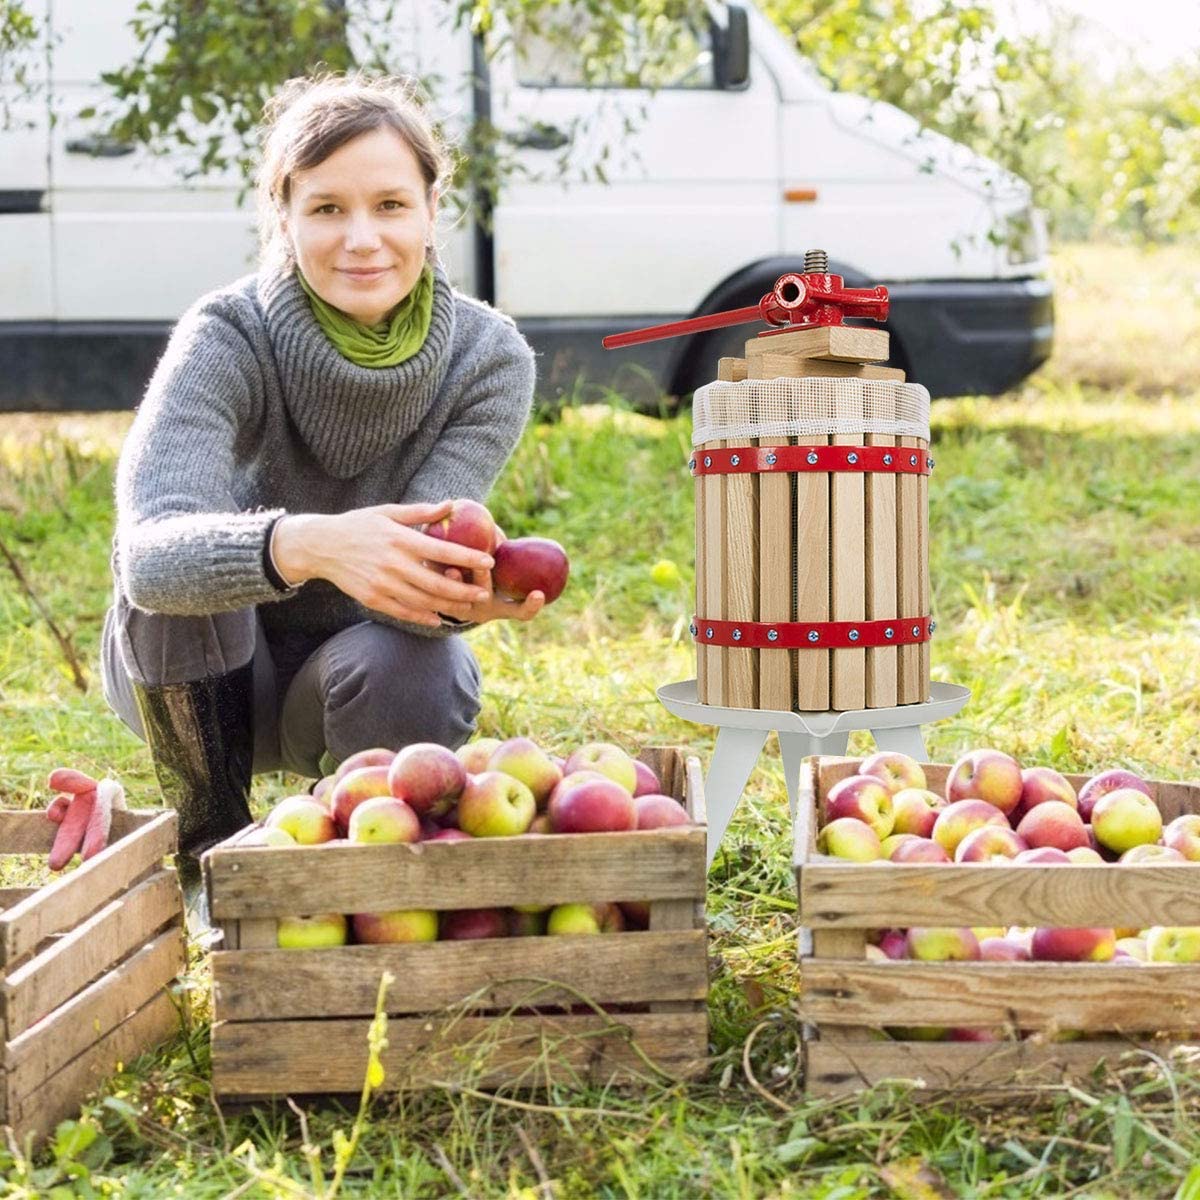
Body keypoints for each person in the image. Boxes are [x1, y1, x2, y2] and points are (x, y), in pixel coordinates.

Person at [99, 73, 541, 918]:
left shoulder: (487, 360)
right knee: (185, 574)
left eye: (390, 205)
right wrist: (305, 544)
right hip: (194, 676)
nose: (363, 239)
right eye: (328, 209)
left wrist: (466, 595)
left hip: (354, 677)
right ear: (284, 216)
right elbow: (148, 560)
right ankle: (210, 854)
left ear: (430, 211)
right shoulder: (226, 337)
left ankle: (352, 870)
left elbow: (416, 595)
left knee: (428, 659)